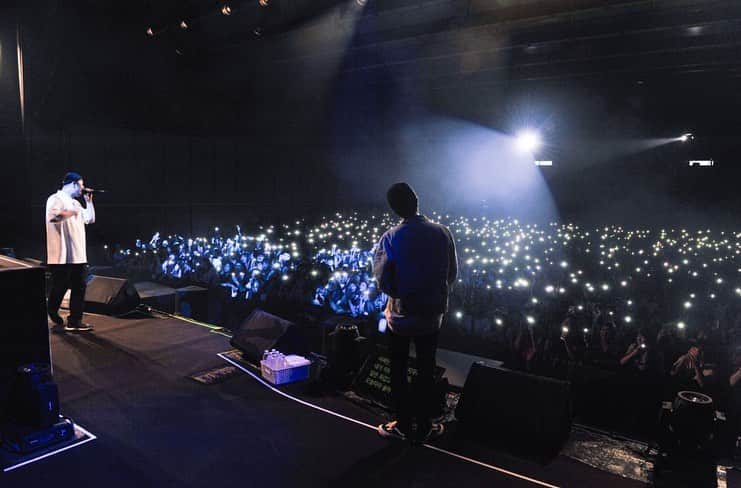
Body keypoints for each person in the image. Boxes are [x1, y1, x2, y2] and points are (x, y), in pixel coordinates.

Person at [373, 182, 457, 442]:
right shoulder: (442, 233)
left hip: (401, 317)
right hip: (432, 315)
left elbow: (383, 280)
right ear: (416, 200)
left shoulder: (391, 237)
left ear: (394, 208)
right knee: (425, 368)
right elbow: (452, 274)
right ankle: (424, 424)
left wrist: (402, 293)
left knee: (398, 370)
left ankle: (403, 424)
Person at [46, 172, 96, 332]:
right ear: (73, 184)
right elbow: (54, 217)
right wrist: (72, 212)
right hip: (61, 255)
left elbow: (90, 219)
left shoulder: (76, 203)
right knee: (60, 286)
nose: (83, 189)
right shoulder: (55, 199)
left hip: (78, 254)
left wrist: (88, 202)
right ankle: (52, 310)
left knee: (79, 286)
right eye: (81, 185)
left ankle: (75, 321)